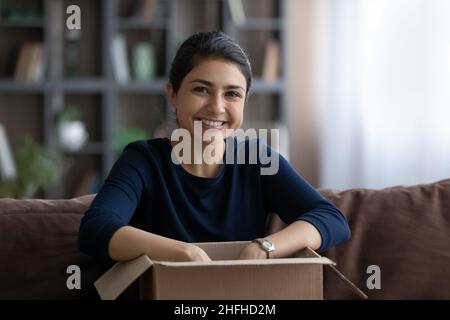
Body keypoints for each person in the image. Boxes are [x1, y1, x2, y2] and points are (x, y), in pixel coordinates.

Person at [78, 31, 350, 263]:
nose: (217, 107)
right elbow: (96, 229)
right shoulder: (143, 161)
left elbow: (331, 219)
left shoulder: (257, 160)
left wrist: (263, 248)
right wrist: (183, 252)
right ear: (173, 93)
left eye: (232, 94)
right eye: (201, 90)